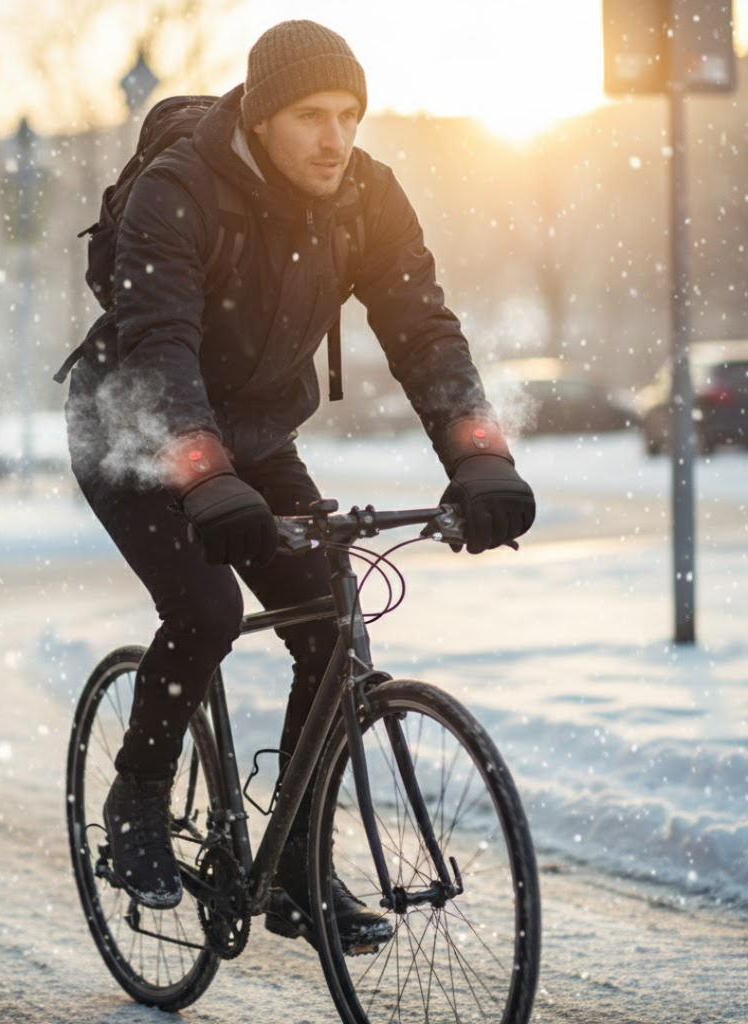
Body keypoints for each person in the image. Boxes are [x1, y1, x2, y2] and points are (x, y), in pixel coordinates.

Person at [63, 20, 535, 950]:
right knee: (205, 610)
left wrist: (480, 455)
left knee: (333, 619)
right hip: (133, 428)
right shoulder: (179, 193)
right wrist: (204, 476)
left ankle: (291, 867)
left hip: (255, 436)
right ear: (264, 116)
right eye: (312, 115)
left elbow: (423, 328)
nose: (335, 137)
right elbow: (161, 349)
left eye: (350, 115)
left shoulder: (366, 197)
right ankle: (138, 799)